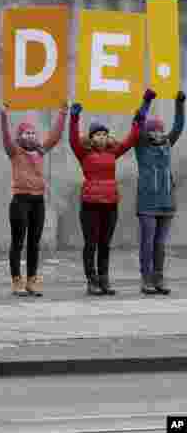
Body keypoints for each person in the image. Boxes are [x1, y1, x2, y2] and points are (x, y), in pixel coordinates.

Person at [69, 90, 153, 296]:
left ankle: (104, 280)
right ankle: (92, 280)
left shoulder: (112, 152)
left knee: (105, 243)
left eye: (105, 134)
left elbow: (132, 137)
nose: (102, 137)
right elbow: (72, 139)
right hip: (90, 204)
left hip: (110, 203)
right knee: (91, 243)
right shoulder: (84, 153)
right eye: (98, 134)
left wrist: (145, 105)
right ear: (91, 137)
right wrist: (74, 117)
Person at [0, 103, 68, 297]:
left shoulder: (40, 151)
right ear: (20, 137)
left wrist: (63, 112)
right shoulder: (15, 152)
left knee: (34, 242)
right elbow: (5, 138)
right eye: (26, 133)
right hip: (20, 200)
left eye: (32, 133)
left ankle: (32, 279)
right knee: (18, 241)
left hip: (38, 201)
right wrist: (4, 116)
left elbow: (55, 137)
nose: (30, 136)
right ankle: (16, 280)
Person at [133, 91, 182, 295]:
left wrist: (179, 104)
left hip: (166, 203)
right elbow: (137, 123)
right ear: (148, 133)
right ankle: (146, 279)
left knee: (160, 244)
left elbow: (178, 127)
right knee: (148, 241)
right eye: (154, 131)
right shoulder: (141, 146)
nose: (159, 134)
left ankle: (159, 278)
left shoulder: (167, 146)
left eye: (161, 131)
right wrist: (146, 102)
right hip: (147, 203)